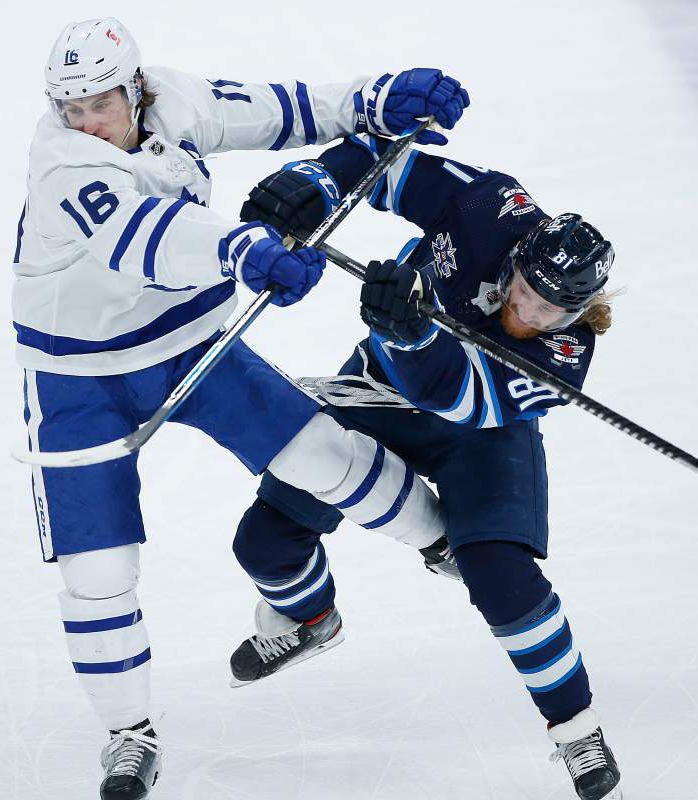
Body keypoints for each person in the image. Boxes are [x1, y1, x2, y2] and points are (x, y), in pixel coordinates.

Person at [11, 17, 471, 800]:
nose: (87, 120)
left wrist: (376, 99)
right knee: (99, 574)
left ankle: (449, 547)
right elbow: (138, 236)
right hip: (77, 378)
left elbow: (279, 108)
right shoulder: (63, 163)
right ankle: (128, 736)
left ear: (136, 88)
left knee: (324, 456)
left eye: (100, 103)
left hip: (191, 341)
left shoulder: (174, 100)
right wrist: (238, 250)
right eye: (71, 107)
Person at [227, 134, 623, 800]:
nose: (525, 312)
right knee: (263, 543)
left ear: (577, 312)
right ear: (520, 258)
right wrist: (316, 184)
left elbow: (460, 399)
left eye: (549, 309)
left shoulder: (565, 355)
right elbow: (393, 164)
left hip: (483, 435)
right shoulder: (493, 210)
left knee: (501, 577)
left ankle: (576, 726)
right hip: (378, 391)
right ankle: (310, 621)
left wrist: (406, 333)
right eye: (525, 290)